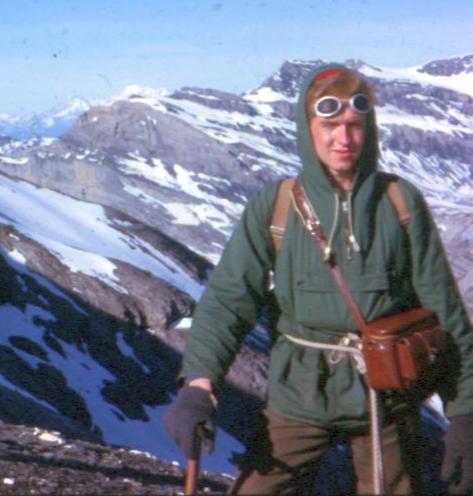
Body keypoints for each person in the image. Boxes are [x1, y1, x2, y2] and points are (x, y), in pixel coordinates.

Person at [164, 64, 473, 494]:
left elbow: (445, 310)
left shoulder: (399, 203)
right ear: (307, 129)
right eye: (329, 125)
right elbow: (230, 300)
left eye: (354, 125)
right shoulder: (277, 205)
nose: (343, 139)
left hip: (386, 394)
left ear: (370, 130)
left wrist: (466, 412)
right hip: (299, 393)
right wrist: (199, 384)